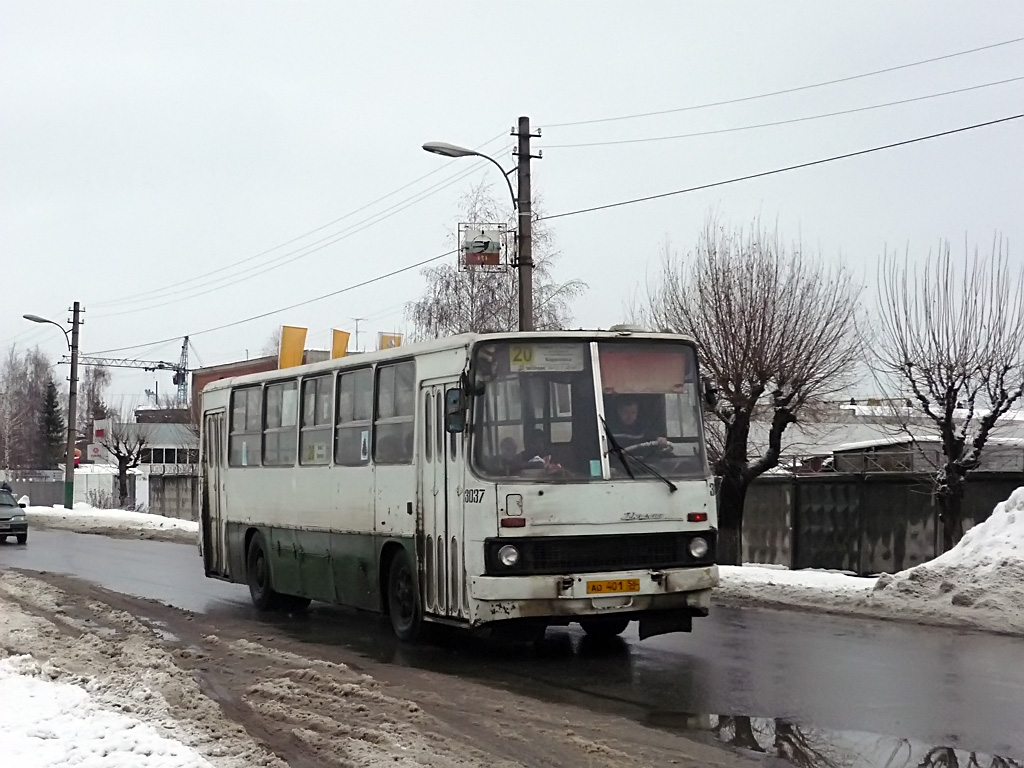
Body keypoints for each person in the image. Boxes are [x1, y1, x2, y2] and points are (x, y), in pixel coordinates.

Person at [606, 396, 671, 458]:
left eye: (633, 412)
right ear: (619, 411)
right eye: (625, 412)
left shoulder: (644, 429)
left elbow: (653, 442)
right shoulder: (611, 431)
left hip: (643, 464)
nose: (629, 416)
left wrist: (660, 441)